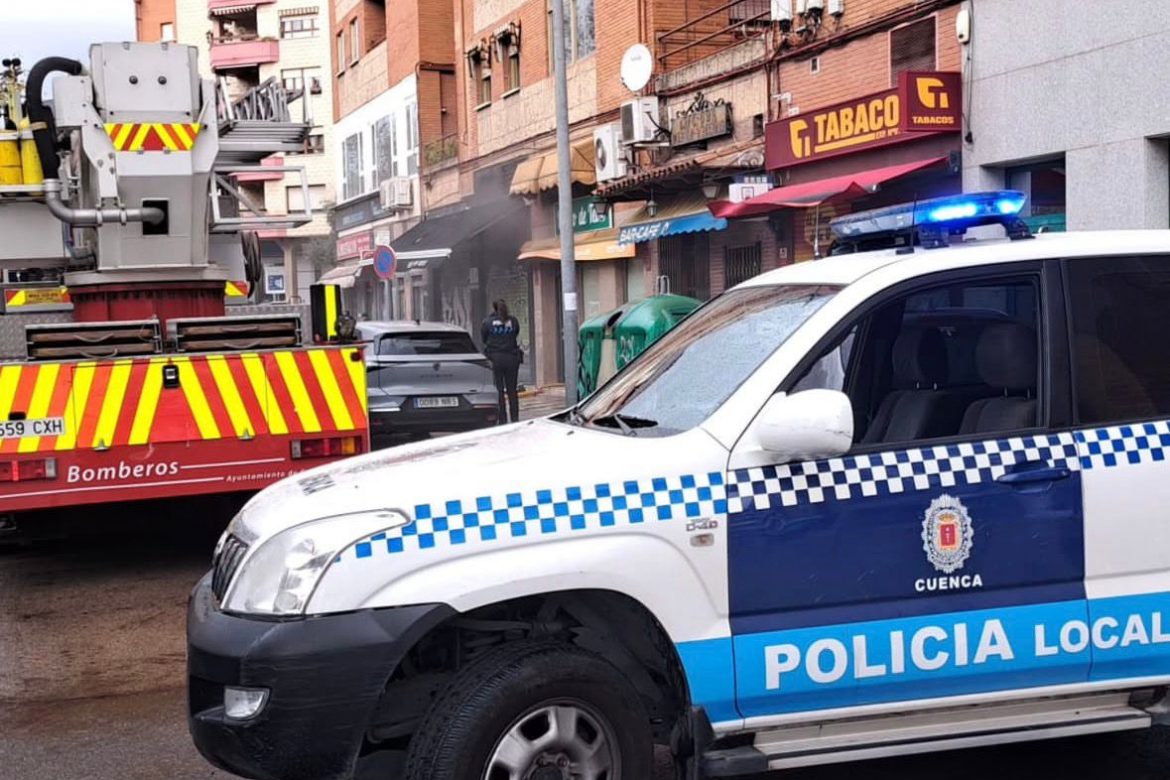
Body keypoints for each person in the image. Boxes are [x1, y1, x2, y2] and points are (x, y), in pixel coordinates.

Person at [481, 299, 523, 424]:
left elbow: (484, 338)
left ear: (494, 308)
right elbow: (516, 333)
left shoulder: (487, 322)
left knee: (499, 390)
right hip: (512, 358)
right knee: (512, 390)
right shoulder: (513, 321)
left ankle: (502, 419)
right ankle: (515, 419)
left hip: (495, 359)